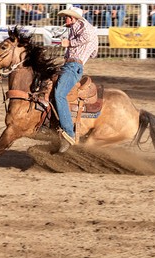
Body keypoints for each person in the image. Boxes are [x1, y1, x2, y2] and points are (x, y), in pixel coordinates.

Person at [54, 6, 99, 153]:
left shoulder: (83, 26)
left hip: (73, 66)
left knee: (59, 94)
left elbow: (87, 37)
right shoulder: (76, 28)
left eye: (67, 17)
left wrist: (70, 43)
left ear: (73, 18)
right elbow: (94, 53)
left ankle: (69, 133)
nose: (65, 19)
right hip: (71, 65)